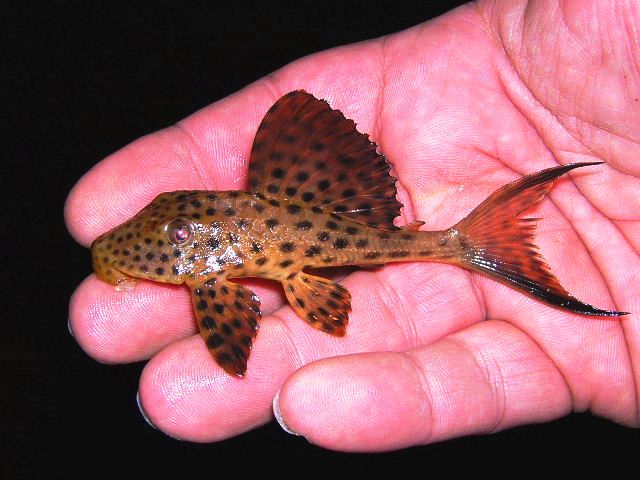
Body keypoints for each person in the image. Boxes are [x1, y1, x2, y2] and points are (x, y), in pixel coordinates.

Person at [65, 0, 639, 451]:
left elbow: (232, 341)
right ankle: (462, 245)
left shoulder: (209, 278)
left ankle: (465, 245)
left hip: (326, 226)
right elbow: (232, 340)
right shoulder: (197, 262)